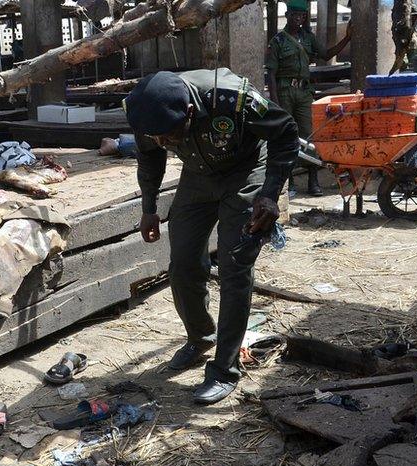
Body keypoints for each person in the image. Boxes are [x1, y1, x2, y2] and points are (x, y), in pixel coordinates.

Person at [124, 69, 299, 404]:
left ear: (190, 112)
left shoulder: (234, 99)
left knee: (235, 265)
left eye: (170, 136)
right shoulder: (144, 109)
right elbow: (149, 157)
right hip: (198, 175)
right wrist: (149, 207)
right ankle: (201, 336)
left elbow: (286, 131)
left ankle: (224, 370)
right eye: (158, 137)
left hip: (246, 170)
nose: (164, 143)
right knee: (183, 263)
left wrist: (270, 193)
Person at [265, 0, 351, 196]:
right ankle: (290, 182)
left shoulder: (308, 38)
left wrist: (347, 38)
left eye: (302, 16)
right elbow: (270, 74)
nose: (298, 19)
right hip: (285, 91)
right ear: (287, 16)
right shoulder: (278, 41)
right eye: (295, 15)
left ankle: (313, 181)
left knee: (309, 136)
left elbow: (327, 53)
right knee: (286, 136)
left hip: (304, 93)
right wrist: (276, 103)